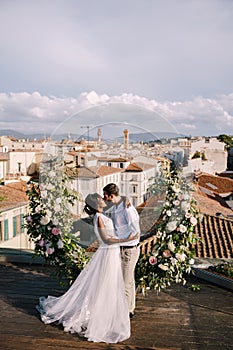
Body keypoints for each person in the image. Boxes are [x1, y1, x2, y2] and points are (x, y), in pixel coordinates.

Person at [36, 193, 139, 344]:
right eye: (100, 199)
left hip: (111, 253)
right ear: (96, 204)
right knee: (105, 284)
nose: (103, 200)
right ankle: (102, 314)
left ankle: (106, 312)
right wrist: (127, 239)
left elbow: (117, 199)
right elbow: (106, 239)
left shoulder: (101, 214)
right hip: (108, 253)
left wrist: (126, 199)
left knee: (107, 284)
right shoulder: (98, 218)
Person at [103, 183, 140, 319]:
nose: (104, 198)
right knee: (129, 281)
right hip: (124, 249)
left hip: (129, 250)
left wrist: (121, 240)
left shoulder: (128, 210)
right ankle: (130, 309)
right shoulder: (118, 205)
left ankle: (123, 313)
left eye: (105, 196)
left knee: (124, 283)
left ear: (111, 195)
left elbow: (136, 232)